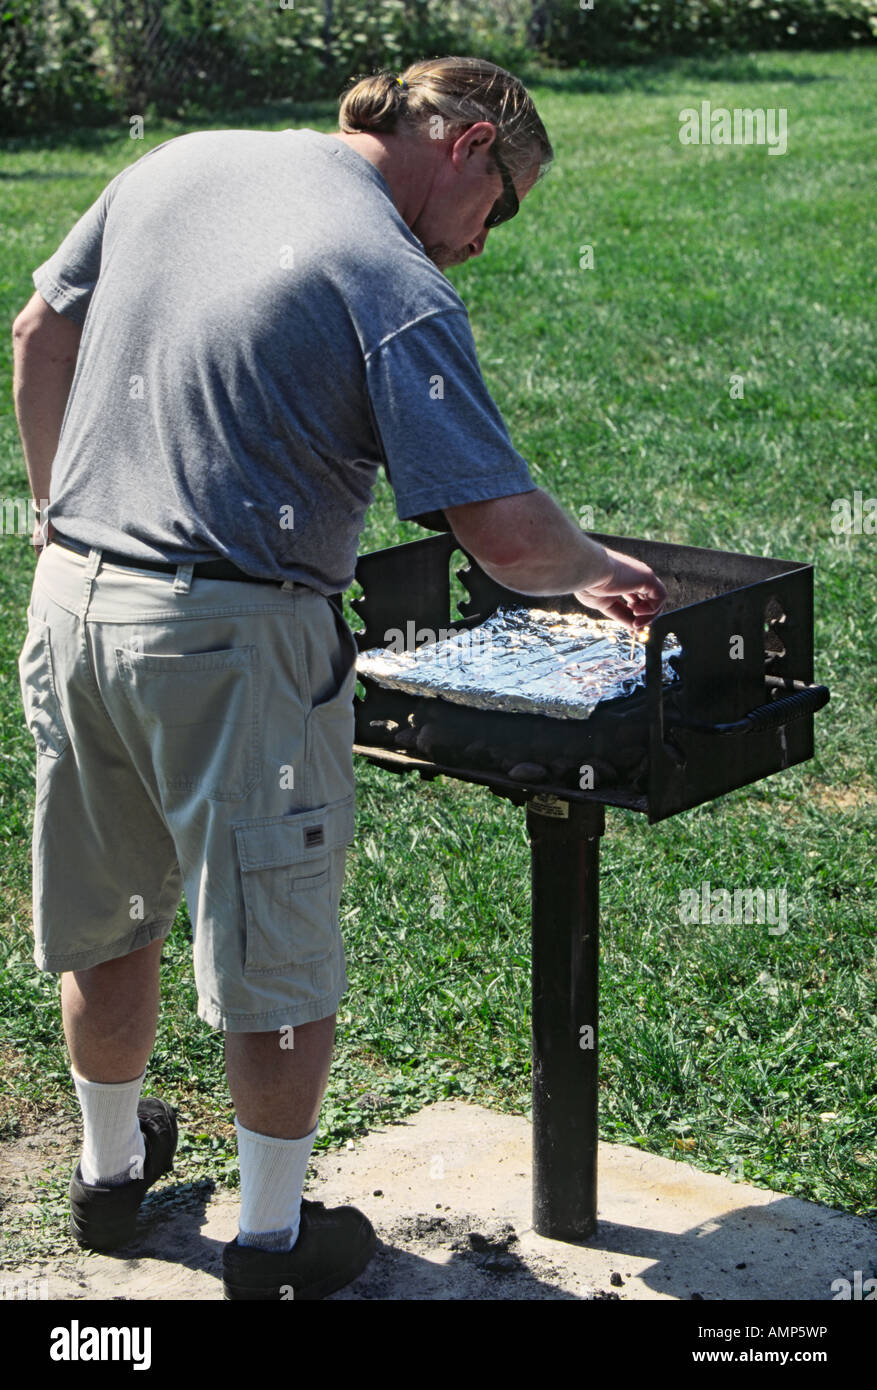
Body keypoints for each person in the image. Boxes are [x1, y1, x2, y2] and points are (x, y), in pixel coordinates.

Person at [12, 55, 666, 1302]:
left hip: (74, 604)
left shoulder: (186, 160)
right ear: (469, 144)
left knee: (109, 914)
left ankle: (108, 1181)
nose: (482, 244)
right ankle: (270, 1246)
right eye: (501, 207)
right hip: (230, 636)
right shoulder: (388, 277)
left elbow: (40, 330)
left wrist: (53, 512)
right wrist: (592, 565)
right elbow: (505, 537)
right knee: (275, 947)